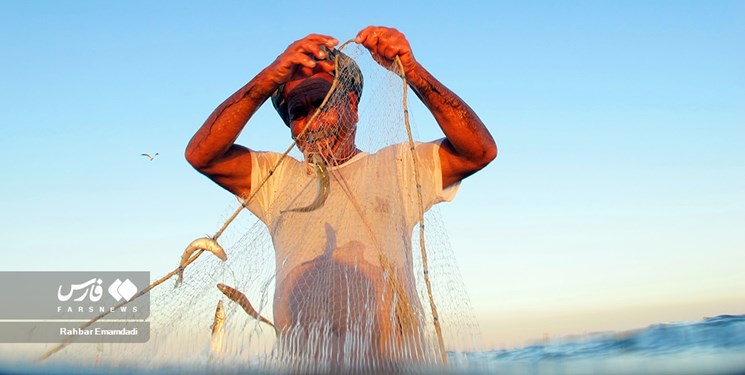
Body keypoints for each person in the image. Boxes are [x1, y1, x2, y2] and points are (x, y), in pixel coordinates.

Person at [186, 26, 496, 368]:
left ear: (352, 104)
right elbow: (202, 155)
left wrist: (414, 72)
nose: (311, 120)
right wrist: (268, 77)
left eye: (321, 101)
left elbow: (478, 151)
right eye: (297, 112)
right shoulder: (275, 177)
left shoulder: (398, 166)